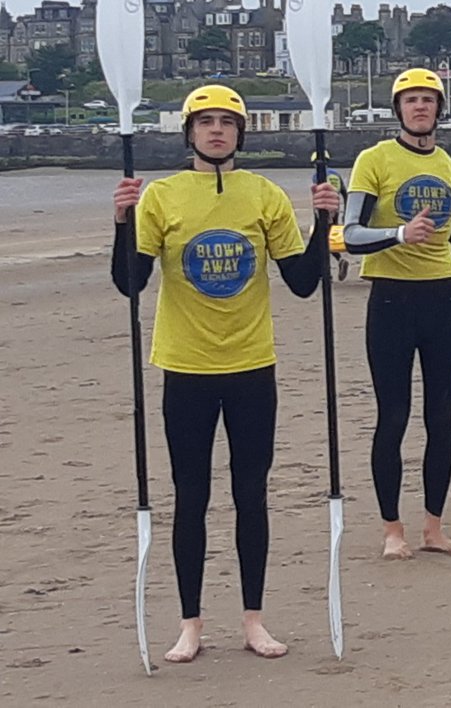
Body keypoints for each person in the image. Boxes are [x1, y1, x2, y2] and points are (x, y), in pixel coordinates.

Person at [110, 83, 341, 663]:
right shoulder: (161, 197)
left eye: (227, 122)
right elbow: (130, 282)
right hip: (185, 369)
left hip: (251, 369)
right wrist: (121, 221)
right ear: (189, 132)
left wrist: (320, 222)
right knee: (191, 497)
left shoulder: (262, 195)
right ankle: (191, 623)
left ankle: (254, 621)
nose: (217, 130)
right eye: (206, 121)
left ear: (241, 133)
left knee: (251, 495)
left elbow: (305, 282)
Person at [342, 67, 451, 560]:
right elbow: (350, 234)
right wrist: (398, 234)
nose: (420, 107)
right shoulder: (374, 160)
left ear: (440, 109)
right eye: (411, 100)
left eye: (428, 99)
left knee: (440, 419)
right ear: (397, 109)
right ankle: (392, 531)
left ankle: (434, 529)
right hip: (392, 301)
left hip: (442, 301)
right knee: (392, 417)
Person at [310, 149, 352, 282]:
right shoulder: (336, 175)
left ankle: (329, 270)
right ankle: (330, 267)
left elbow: (317, 193)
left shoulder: (317, 175)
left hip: (323, 211)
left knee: (322, 241)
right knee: (329, 238)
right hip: (336, 209)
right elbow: (345, 193)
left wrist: (317, 212)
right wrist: (346, 212)